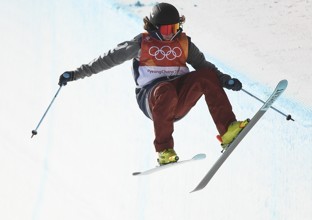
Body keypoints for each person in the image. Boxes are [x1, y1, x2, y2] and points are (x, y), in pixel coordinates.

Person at [59, 2, 248, 165]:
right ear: (154, 27)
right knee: (166, 90)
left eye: (174, 29)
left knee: (205, 75)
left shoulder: (184, 43)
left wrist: (224, 80)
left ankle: (228, 130)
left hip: (179, 95)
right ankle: (164, 150)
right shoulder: (140, 45)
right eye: (166, 30)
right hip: (152, 97)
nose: (170, 35)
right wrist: (76, 74)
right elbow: (106, 60)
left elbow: (203, 65)